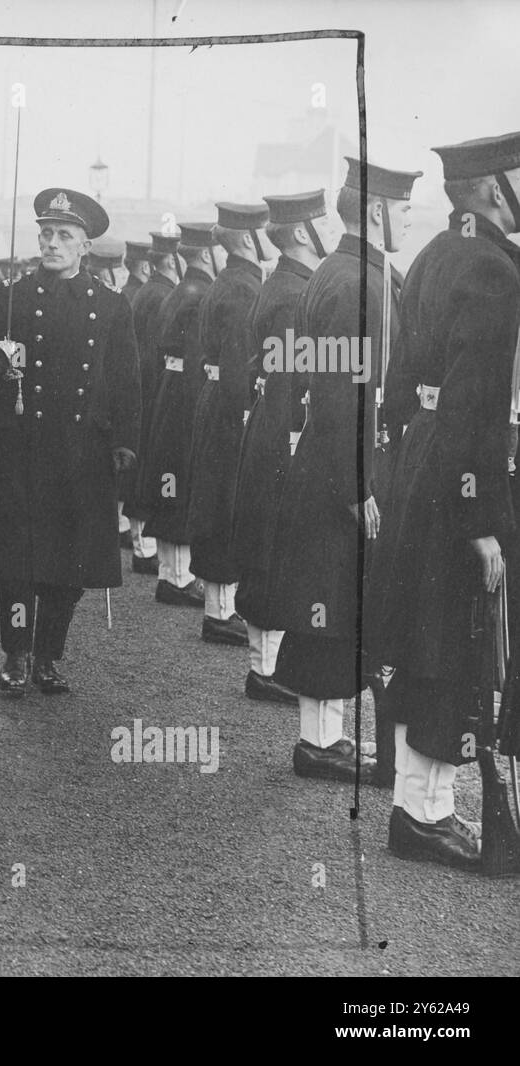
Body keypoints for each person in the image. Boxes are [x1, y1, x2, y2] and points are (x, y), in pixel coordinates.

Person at [372, 133, 520, 869]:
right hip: (455, 474)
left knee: (419, 641)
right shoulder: (495, 270)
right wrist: (480, 522)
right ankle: (426, 815)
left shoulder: (431, 254)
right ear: (495, 188)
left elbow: (402, 387)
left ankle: (415, 804)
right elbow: (477, 408)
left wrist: (414, 467)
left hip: (418, 465)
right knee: (452, 647)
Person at [267, 157, 420, 784]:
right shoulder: (359, 283)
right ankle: (318, 742)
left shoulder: (342, 271)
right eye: (405, 208)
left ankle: (323, 738)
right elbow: (340, 392)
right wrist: (357, 485)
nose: (408, 219)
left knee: (329, 603)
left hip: (332, 463)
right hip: (343, 469)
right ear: (380, 209)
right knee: (326, 604)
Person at [0, 187, 140, 695]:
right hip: (19, 444)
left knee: (69, 563)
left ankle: (48, 656)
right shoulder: (13, 296)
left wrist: (126, 443)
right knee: (14, 563)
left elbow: (127, 380)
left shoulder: (110, 307)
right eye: (46, 234)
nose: (52, 243)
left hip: (81, 450)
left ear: (85, 246)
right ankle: (16, 653)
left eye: (65, 235)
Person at [232, 189, 332, 704]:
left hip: (268, 427)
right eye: (322, 223)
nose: (331, 232)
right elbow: (293, 381)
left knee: (264, 542)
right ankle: (265, 668)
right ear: (301, 233)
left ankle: (262, 663)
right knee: (273, 546)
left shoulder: (284, 285)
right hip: (283, 434)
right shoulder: (295, 295)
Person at [187, 202, 274, 646]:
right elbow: (241, 362)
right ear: (247, 240)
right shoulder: (243, 286)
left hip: (215, 398)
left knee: (216, 497)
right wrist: (247, 413)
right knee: (224, 502)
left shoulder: (230, 280)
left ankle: (218, 606)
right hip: (230, 404)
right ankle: (220, 612)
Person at [139, 222, 223, 608]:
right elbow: (195, 360)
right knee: (178, 485)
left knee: (169, 483)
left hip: (168, 394)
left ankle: (171, 573)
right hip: (185, 396)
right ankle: (178, 577)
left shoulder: (177, 290)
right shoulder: (199, 294)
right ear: (207, 254)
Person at [121, 231, 181, 575]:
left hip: (141, 386)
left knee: (142, 472)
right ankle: (145, 548)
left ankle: (142, 544)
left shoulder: (149, 292)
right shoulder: (162, 294)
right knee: (150, 473)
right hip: (153, 387)